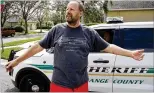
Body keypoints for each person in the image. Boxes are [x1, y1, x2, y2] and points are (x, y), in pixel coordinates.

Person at [5, 0, 144, 92]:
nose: (67, 11)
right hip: (59, 85)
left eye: (71, 9)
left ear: (80, 13)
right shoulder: (57, 30)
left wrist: (130, 53)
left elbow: (110, 47)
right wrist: (16, 61)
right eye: (67, 9)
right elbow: (37, 47)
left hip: (81, 85)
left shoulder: (89, 32)